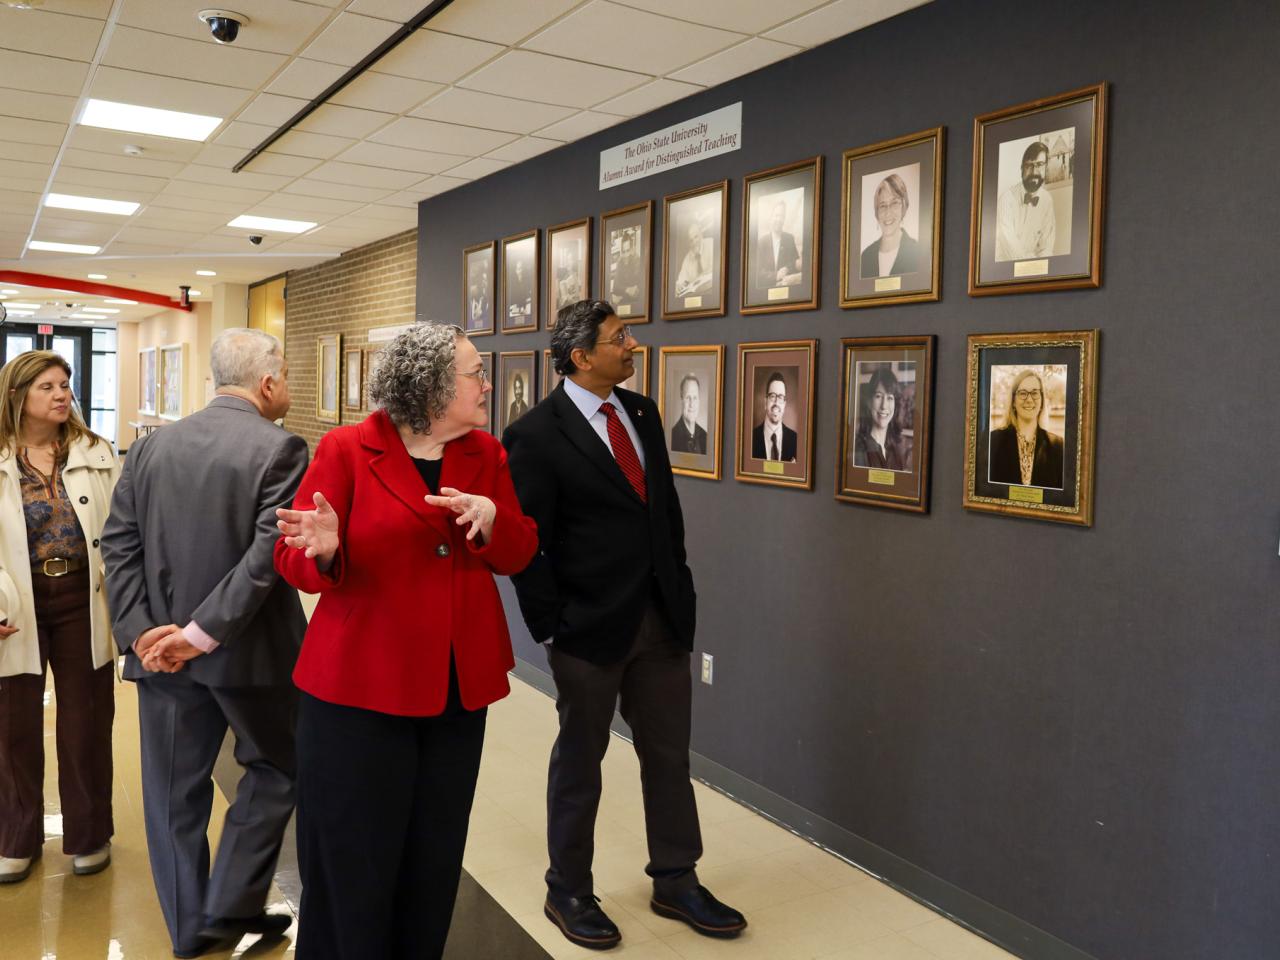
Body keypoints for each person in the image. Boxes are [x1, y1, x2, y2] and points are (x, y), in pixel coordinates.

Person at [273, 323, 538, 960]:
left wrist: (494, 522)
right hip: (360, 693)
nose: (486, 383)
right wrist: (328, 550)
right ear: (431, 386)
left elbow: (520, 552)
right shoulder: (346, 449)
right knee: (353, 864)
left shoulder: (486, 454)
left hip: (454, 692)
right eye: (475, 372)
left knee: (433, 858)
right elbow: (294, 555)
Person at [504, 299, 746, 951]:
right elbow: (529, 543)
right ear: (582, 357)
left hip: (661, 622)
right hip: (586, 629)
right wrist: (551, 627)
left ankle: (676, 878)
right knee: (582, 761)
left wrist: (681, 592)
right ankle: (568, 890)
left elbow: (663, 516)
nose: (634, 344)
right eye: (620, 338)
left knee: (669, 756)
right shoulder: (535, 435)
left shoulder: (641, 413)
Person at [100, 328, 305, 958]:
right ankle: (231, 902)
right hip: (250, 657)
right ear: (267, 382)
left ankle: (199, 929)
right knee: (276, 771)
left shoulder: (150, 449)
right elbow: (266, 559)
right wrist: (198, 635)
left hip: (162, 658)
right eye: (287, 376)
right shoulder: (283, 448)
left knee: (172, 801)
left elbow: (118, 545)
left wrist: (144, 635)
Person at [0, 351, 118, 885]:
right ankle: (16, 837)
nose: (61, 394)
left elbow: (120, 531)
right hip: (14, 605)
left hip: (81, 597)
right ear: (17, 395)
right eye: (47, 386)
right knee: (13, 726)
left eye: (65, 384)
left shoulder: (95, 451)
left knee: (86, 721)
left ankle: (89, 834)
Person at [988, 369, 1064, 488]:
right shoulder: (992, 441)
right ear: (1013, 401)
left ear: (1042, 401)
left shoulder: (1058, 446)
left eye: (1034, 393)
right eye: (1023, 393)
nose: (1029, 400)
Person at [995, 141, 1056, 261]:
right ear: (1021, 169)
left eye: (1039, 165)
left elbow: (1047, 249)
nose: (1034, 172)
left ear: (1046, 168)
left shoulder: (1047, 200)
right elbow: (1012, 253)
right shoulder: (1006, 199)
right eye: (1029, 166)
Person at [859, 173, 921, 278]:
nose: (888, 212)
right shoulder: (866, 257)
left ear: (904, 206)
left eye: (894, 203)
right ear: (876, 212)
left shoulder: (917, 252)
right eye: (882, 206)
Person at [853, 365, 910, 470]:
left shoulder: (897, 449)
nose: (884, 406)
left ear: (895, 404)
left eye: (889, 398)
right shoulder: (858, 450)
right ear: (869, 402)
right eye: (878, 396)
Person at [750, 371, 797, 462]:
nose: (776, 402)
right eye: (772, 396)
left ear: (784, 404)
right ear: (765, 402)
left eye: (780, 397)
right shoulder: (751, 438)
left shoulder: (795, 440)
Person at [756, 198, 801, 288]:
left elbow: (795, 264)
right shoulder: (762, 242)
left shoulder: (789, 239)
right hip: (765, 291)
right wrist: (776, 275)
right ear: (771, 217)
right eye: (776, 215)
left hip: (786, 288)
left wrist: (787, 269)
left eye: (782, 216)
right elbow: (757, 273)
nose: (779, 219)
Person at [669, 373, 707, 455]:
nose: (692, 404)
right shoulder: (672, 437)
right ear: (681, 399)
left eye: (695, 398)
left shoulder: (705, 437)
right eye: (688, 398)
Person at [674, 220, 712, 298]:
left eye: (696, 237)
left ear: (701, 235)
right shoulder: (687, 259)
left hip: (711, 292)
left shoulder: (712, 245)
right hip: (695, 296)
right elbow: (681, 280)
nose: (694, 242)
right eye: (691, 240)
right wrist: (677, 286)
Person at [609, 231, 643, 315]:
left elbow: (636, 291)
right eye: (623, 251)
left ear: (632, 249)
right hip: (622, 304)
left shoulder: (638, 261)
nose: (625, 255)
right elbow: (616, 287)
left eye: (628, 250)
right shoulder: (620, 262)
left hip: (634, 305)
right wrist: (627, 289)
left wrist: (622, 293)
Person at [508, 257, 532, 322]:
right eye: (519, 269)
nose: (521, 271)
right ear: (516, 271)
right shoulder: (511, 286)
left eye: (522, 268)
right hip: (515, 312)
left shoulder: (528, 283)